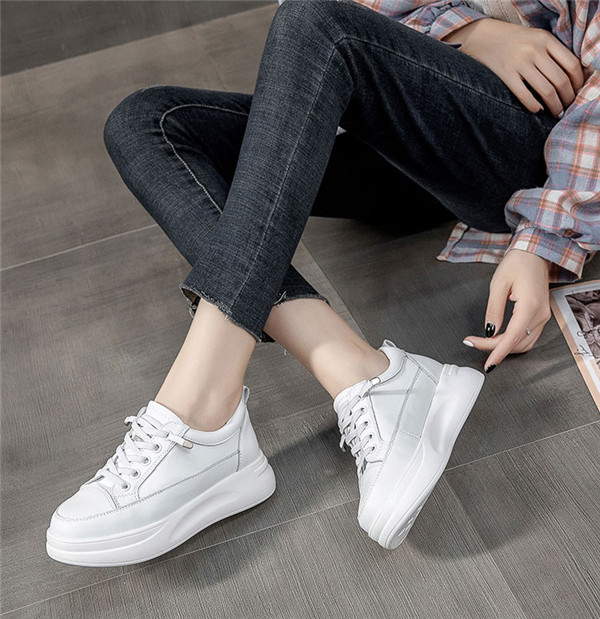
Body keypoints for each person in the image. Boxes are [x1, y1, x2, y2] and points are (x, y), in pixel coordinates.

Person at [46, 0, 598, 566]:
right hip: (396, 121)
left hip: (535, 147)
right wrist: (468, 29)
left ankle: (200, 413)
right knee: (146, 122)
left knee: (317, 24)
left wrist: (542, 239)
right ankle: (360, 373)